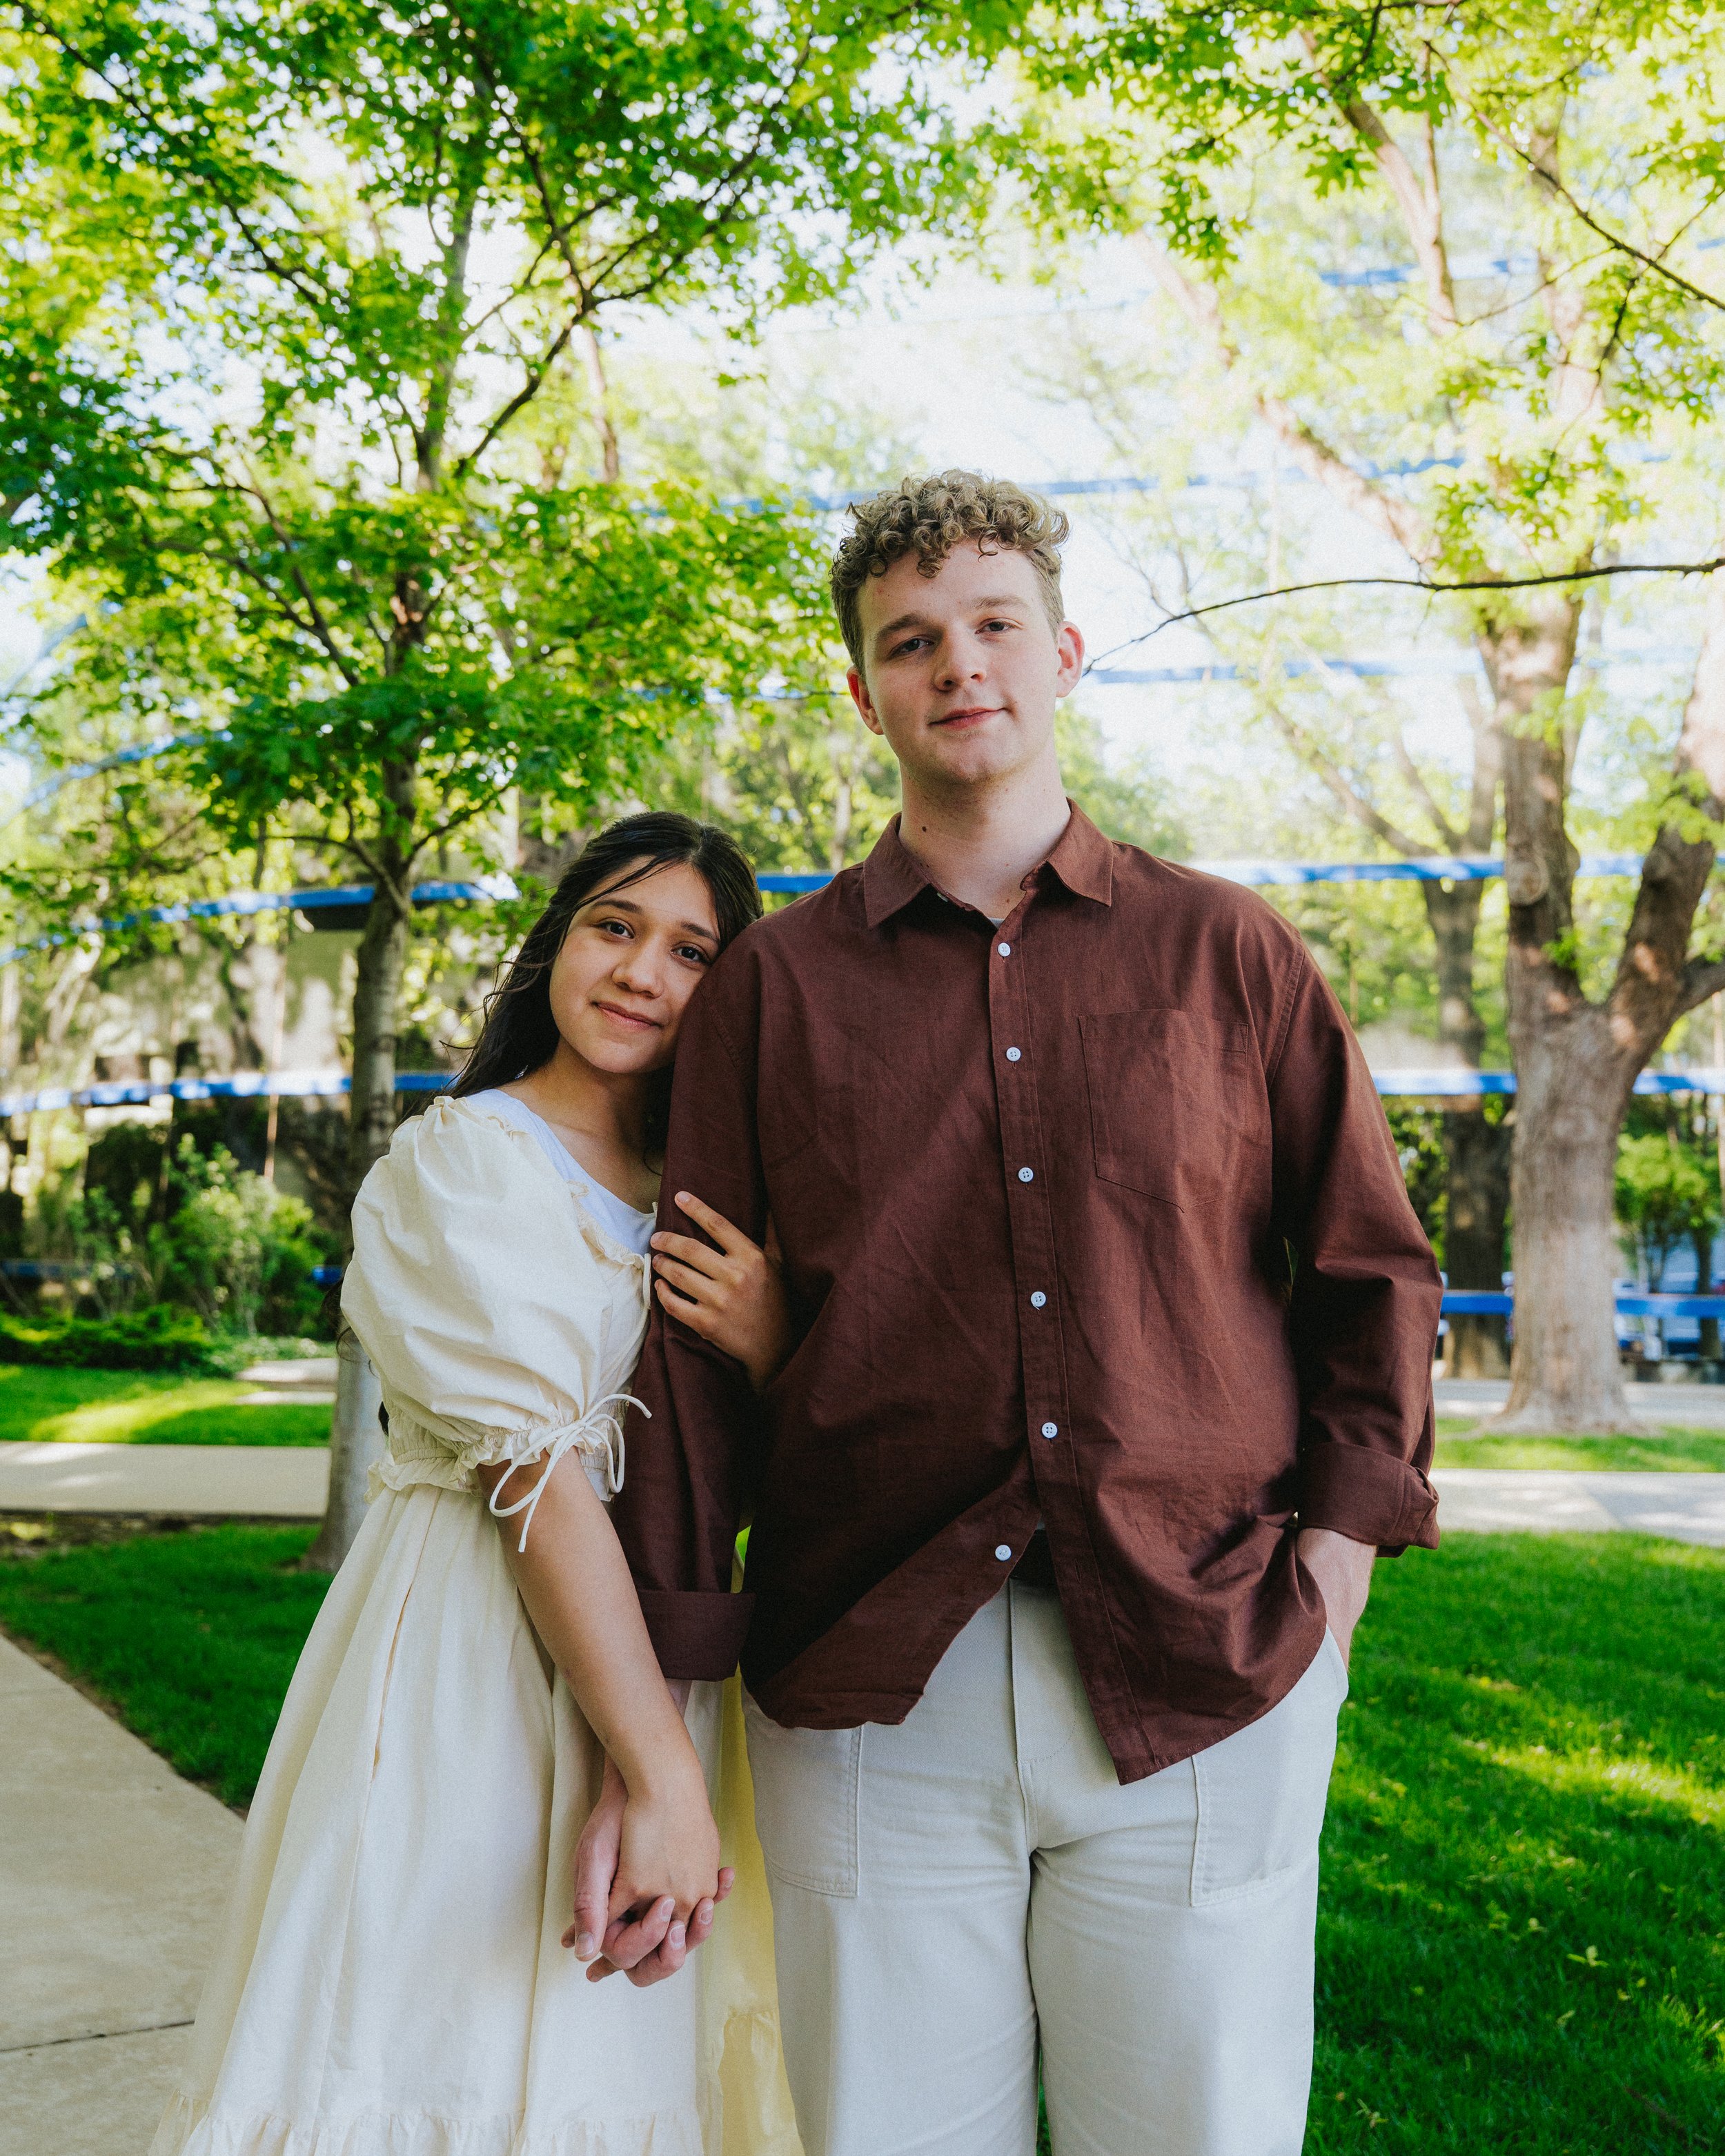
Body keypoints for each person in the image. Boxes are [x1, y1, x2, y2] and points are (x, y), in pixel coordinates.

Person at [611, 475, 1443, 2156]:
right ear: (863, 694)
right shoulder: (774, 989)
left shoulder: (1230, 954)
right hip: (868, 1684)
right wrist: (664, 1725)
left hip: (1206, 1660)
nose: (956, 665)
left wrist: (1332, 1587)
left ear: (1060, 651)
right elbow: (689, 1359)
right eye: (908, 642)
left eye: (992, 625)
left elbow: (1370, 1273)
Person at [152, 813, 802, 2156]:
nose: (640, 972)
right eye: (612, 928)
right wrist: (661, 1774)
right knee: (432, 2021)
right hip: (472, 1661)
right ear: (554, 944)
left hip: (662, 1643)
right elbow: (542, 1486)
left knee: (616, 2053)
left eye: (690, 952)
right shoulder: (461, 1166)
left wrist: (766, 1345)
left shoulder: (712, 1198)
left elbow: (755, 1472)